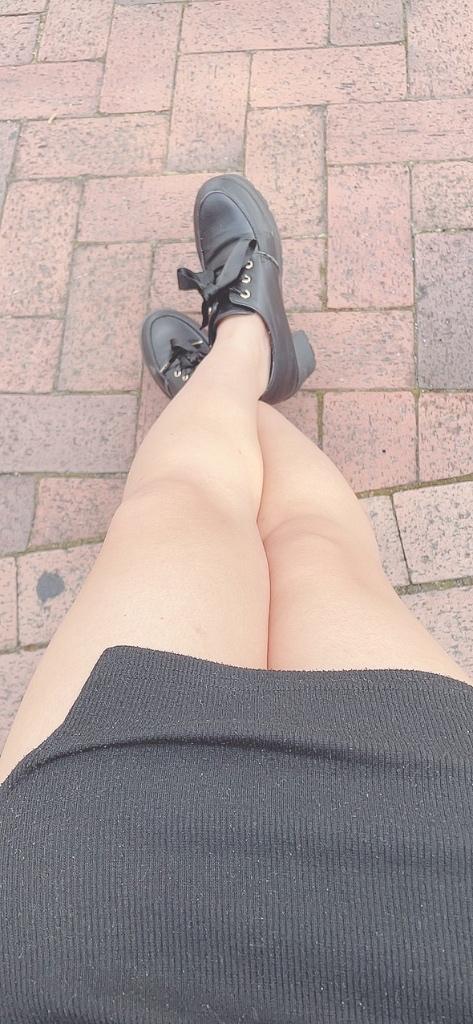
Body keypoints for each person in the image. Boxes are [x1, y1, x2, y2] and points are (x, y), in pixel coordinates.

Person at [0, 175, 472, 1023]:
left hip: (86, 912)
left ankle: (231, 365)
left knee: (181, 506)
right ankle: (241, 356)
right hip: (438, 898)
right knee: (314, 554)